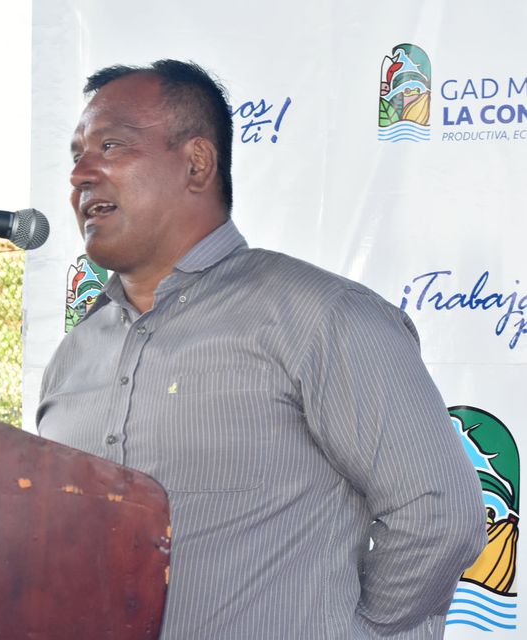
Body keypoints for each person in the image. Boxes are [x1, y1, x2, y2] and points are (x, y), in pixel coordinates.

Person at [36, 60, 487, 639]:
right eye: (77, 155)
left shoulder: (321, 317)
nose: (80, 174)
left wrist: (360, 632)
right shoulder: (70, 359)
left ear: (197, 162)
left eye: (111, 146)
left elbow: (438, 515)